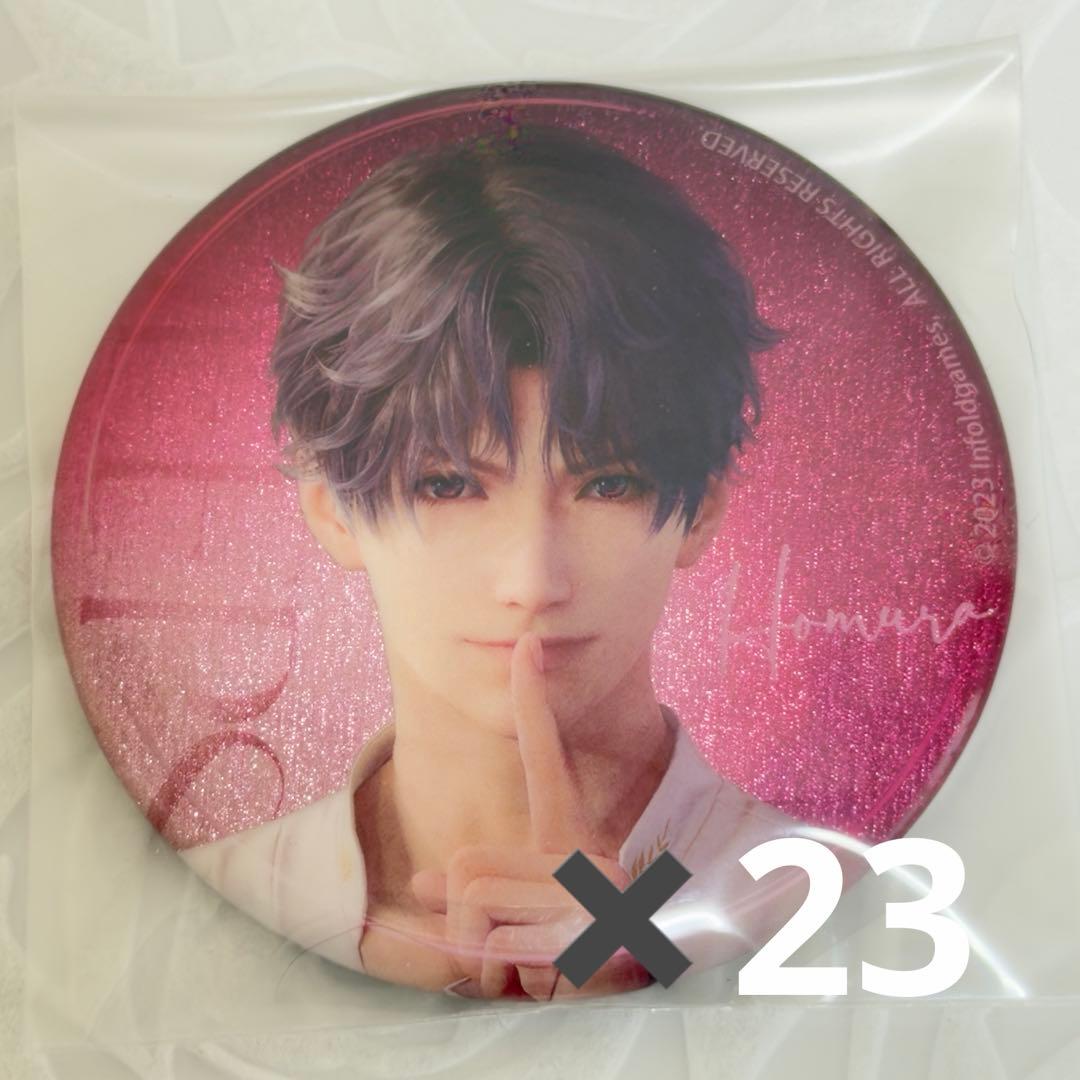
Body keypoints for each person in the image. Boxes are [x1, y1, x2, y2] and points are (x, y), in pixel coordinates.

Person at [180, 123, 857, 999]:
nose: (534, 582)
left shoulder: (834, 906)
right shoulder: (195, 913)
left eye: (609, 484)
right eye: (449, 485)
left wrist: (642, 1012)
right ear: (331, 509)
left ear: (703, 510)